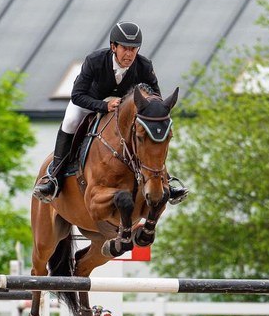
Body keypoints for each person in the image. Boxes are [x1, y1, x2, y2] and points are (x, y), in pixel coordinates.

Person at [32, 21, 189, 204]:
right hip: (90, 101)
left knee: (149, 135)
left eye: (134, 49)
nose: (129, 54)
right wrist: (103, 106)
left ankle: (166, 180)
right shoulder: (95, 61)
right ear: (113, 46)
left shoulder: (144, 66)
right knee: (71, 121)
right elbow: (77, 95)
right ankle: (54, 178)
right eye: (125, 48)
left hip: (122, 110)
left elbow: (155, 99)